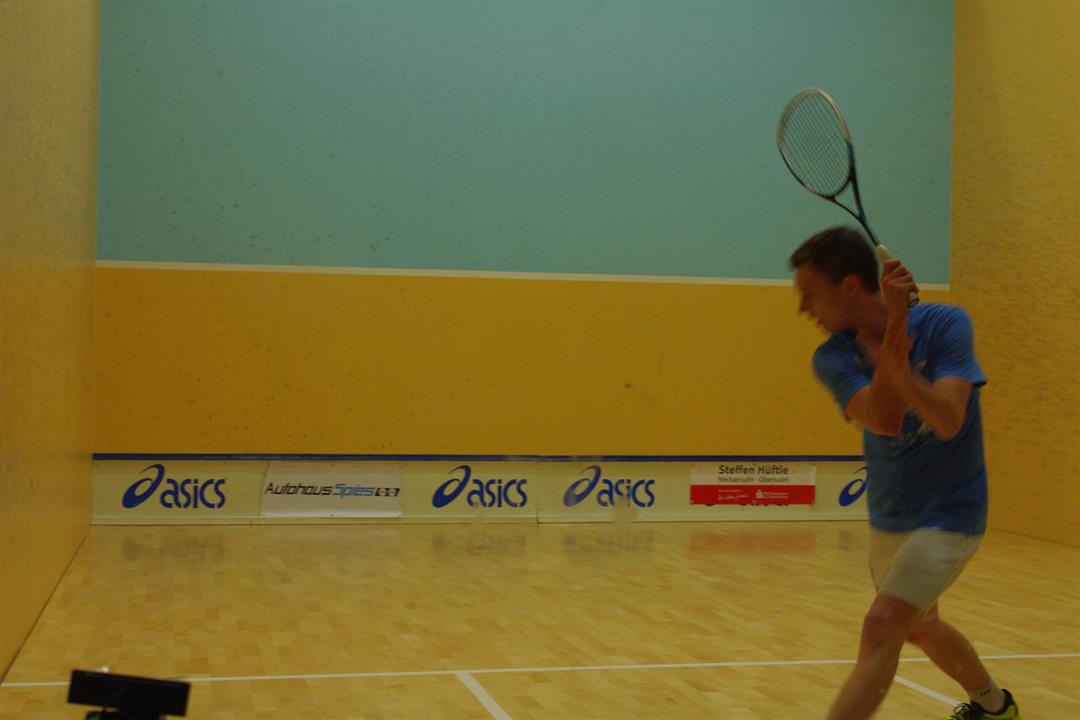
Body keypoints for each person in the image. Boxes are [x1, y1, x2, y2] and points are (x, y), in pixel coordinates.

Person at [788, 226, 1021, 720]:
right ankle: (996, 707)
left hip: (952, 515)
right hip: (890, 518)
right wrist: (895, 330)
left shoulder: (946, 325)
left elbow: (948, 420)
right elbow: (884, 419)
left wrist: (897, 338)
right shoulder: (832, 358)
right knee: (919, 626)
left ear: (850, 286)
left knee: (882, 625)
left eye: (809, 293)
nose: (803, 309)